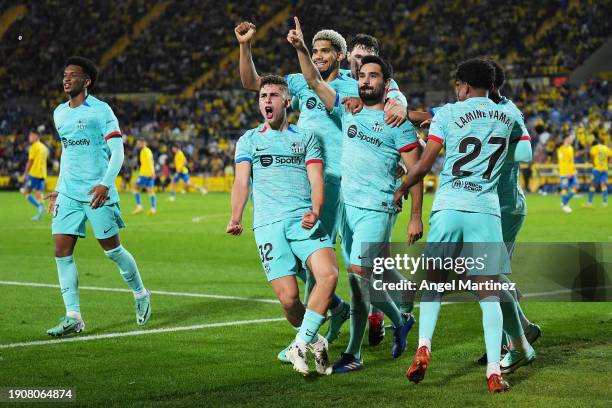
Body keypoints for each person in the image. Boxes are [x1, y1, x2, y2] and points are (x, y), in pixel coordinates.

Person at [288, 17, 422, 373]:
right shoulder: (350, 107)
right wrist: (302, 48)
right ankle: (377, 334)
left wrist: (414, 213)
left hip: (378, 205)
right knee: (359, 275)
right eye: (361, 74)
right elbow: (314, 81)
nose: (365, 78)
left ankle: (373, 335)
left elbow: (418, 169)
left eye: (372, 74)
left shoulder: (397, 117)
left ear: (385, 82)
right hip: (347, 202)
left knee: (360, 274)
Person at [394, 58, 532, 393]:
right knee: (489, 292)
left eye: (457, 86)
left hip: (449, 207)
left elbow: (425, 164)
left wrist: (401, 189)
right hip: (486, 210)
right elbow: (525, 155)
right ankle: (494, 371)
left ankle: (424, 345)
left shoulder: (449, 114)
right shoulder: (510, 114)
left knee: (434, 284)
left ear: (464, 86)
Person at [236, 20, 352, 348]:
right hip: (311, 184)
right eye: (313, 50)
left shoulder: (353, 87)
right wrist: (245, 46)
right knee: (306, 264)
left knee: (349, 262)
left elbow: (376, 115)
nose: (317, 56)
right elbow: (252, 82)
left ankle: (375, 320)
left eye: (324, 51)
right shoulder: (298, 82)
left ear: (340, 55)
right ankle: (333, 314)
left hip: (344, 181)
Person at [227, 75, 338, 376]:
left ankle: (299, 344)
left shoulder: (306, 138)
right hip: (268, 224)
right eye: (263, 95)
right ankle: (314, 339)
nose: (267, 100)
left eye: (274, 95)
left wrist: (315, 210)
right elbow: (241, 181)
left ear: (287, 101)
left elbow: (316, 178)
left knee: (328, 275)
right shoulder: (249, 139)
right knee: (289, 300)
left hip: (302, 219)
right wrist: (236, 216)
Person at [47, 56, 151, 337]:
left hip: (97, 192)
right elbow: (66, 153)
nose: (66, 78)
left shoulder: (102, 111)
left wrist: (106, 184)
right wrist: (57, 189)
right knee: (61, 251)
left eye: (73, 75)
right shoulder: (59, 113)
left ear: (87, 81)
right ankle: (73, 316)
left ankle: (140, 293)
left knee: (113, 251)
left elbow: (117, 152)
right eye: (65, 74)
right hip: (69, 192)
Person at [21, 130, 48, 221]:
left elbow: (30, 161)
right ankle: (40, 213)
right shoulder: (44, 147)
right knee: (38, 194)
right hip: (43, 174)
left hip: (34, 174)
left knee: (25, 192)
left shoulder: (34, 146)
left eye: (31, 136)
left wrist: (25, 174)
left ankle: (40, 206)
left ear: (36, 136)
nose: (30, 138)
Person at [132, 139, 157, 215]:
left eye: (138, 143)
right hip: (148, 173)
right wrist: (152, 172)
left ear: (143, 143)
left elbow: (150, 161)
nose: (138, 144)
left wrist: (152, 172)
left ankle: (139, 207)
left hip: (144, 174)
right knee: (150, 190)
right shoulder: (144, 151)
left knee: (135, 188)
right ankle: (153, 208)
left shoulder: (146, 151)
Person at [584, 139, 610, 207]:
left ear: (593, 145)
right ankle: (605, 202)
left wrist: (593, 164)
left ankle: (589, 203)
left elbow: (592, 157)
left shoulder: (594, 148)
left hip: (597, 169)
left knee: (592, 185)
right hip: (605, 168)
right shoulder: (606, 147)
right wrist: (608, 163)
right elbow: (610, 156)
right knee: (603, 185)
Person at [558, 135, 578, 213]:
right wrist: (567, 172)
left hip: (572, 173)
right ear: (565, 139)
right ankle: (565, 206)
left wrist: (574, 169)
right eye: (569, 138)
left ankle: (564, 202)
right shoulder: (561, 149)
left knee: (576, 187)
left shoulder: (571, 148)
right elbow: (562, 162)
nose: (571, 139)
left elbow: (571, 161)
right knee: (564, 188)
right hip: (565, 174)